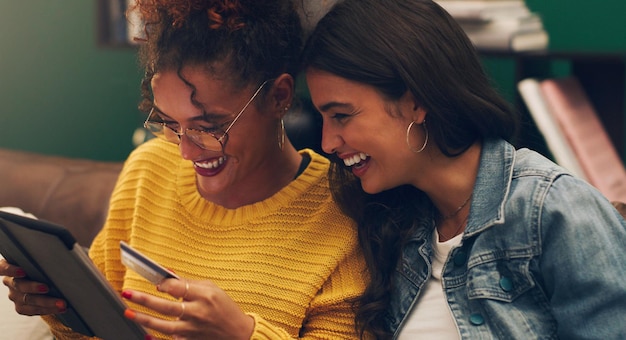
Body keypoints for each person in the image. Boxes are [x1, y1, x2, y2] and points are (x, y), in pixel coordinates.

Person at [1, 1, 367, 339]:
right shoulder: (149, 168)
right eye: (170, 124)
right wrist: (60, 310)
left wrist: (241, 334)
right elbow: (101, 327)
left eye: (209, 127)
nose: (187, 152)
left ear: (279, 97)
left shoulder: (344, 212)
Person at [301, 0, 626, 339]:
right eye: (322, 117)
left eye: (341, 115)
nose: (327, 143)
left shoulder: (554, 210)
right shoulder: (392, 225)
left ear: (417, 102)